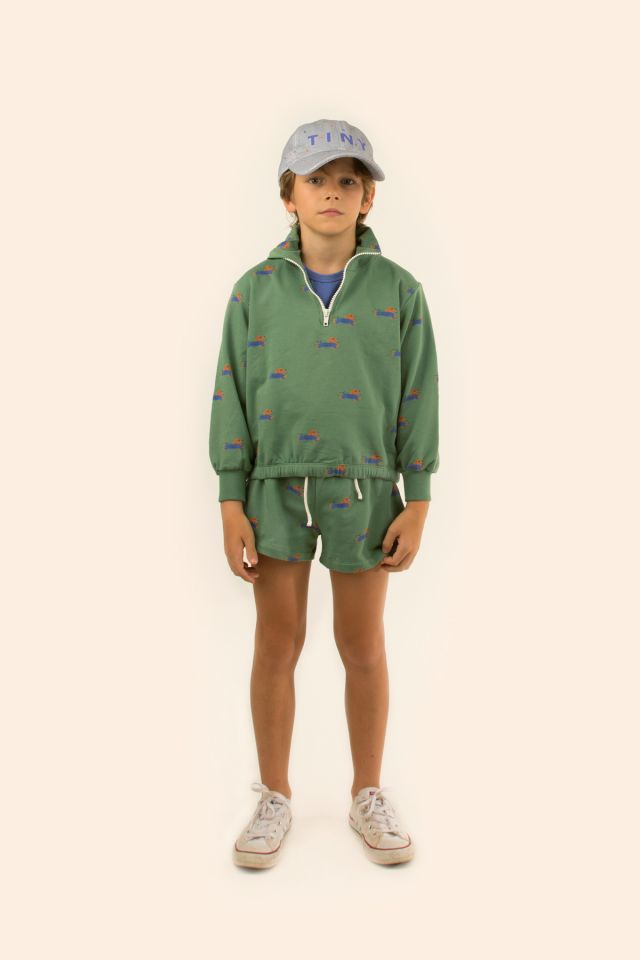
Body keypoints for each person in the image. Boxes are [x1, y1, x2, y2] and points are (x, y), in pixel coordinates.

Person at [208, 118, 440, 868]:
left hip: (366, 487)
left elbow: (418, 394)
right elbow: (231, 393)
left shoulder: (400, 291)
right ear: (289, 196)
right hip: (272, 489)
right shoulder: (254, 291)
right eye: (316, 180)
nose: (332, 193)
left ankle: (367, 791)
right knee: (277, 644)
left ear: (368, 197)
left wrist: (418, 496)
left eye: (348, 181)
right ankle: (274, 795)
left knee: (361, 645)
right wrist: (231, 499)